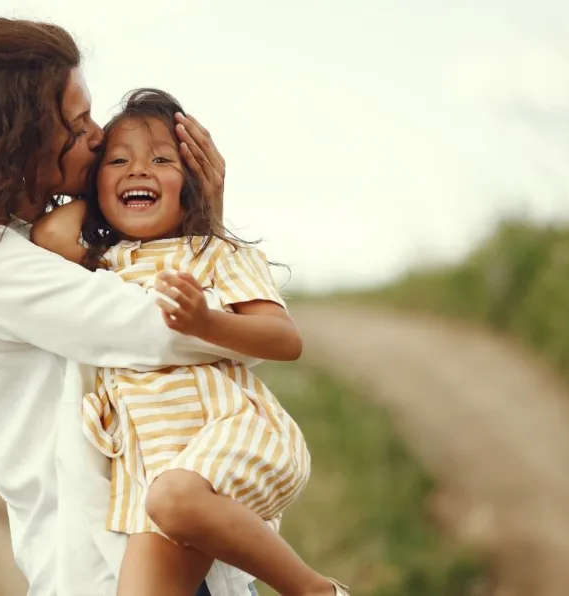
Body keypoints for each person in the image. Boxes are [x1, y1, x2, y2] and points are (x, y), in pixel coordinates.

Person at [0, 16, 259, 596]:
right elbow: (189, 332)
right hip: (105, 567)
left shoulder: (57, 239)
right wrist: (206, 236)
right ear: (23, 132)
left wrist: (188, 220)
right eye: (77, 120)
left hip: (180, 549)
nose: (97, 135)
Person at [32, 89, 348, 596]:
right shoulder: (108, 260)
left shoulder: (213, 252)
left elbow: (284, 339)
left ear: (194, 182)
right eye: (118, 161)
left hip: (232, 436)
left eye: (162, 160)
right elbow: (49, 236)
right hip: (153, 475)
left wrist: (206, 322)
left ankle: (315, 590)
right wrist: (106, 188)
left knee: (175, 498)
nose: (139, 171)